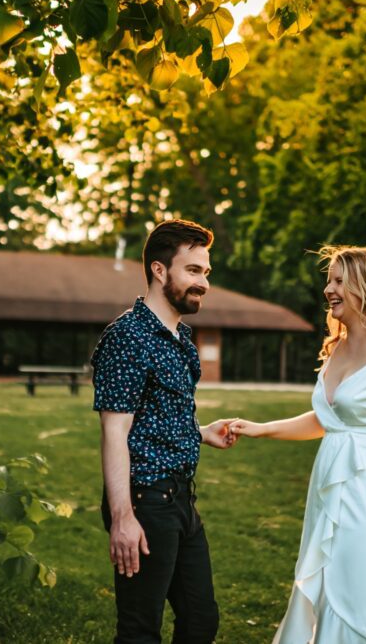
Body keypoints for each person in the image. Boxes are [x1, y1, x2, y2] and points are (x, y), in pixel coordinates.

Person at [229, 245, 366, 644]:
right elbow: (327, 421)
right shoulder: (337, 348)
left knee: (365, 607)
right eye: (328, 280)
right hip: (329, 496)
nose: (328, 290)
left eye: (338, 281)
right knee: (324, 599)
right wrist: (260, 429)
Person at [91, 219, 235, 644]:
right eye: (193, 270)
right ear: (159, 270)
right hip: (145, 502)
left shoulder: (180, 338)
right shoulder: (128, 336)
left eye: (205, 272)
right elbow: (115, 433)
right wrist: (123, 518)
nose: (203, 282)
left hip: (181, 500)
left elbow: (158, 415)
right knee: (140, 630)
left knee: (201, 621)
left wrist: (200, 432)